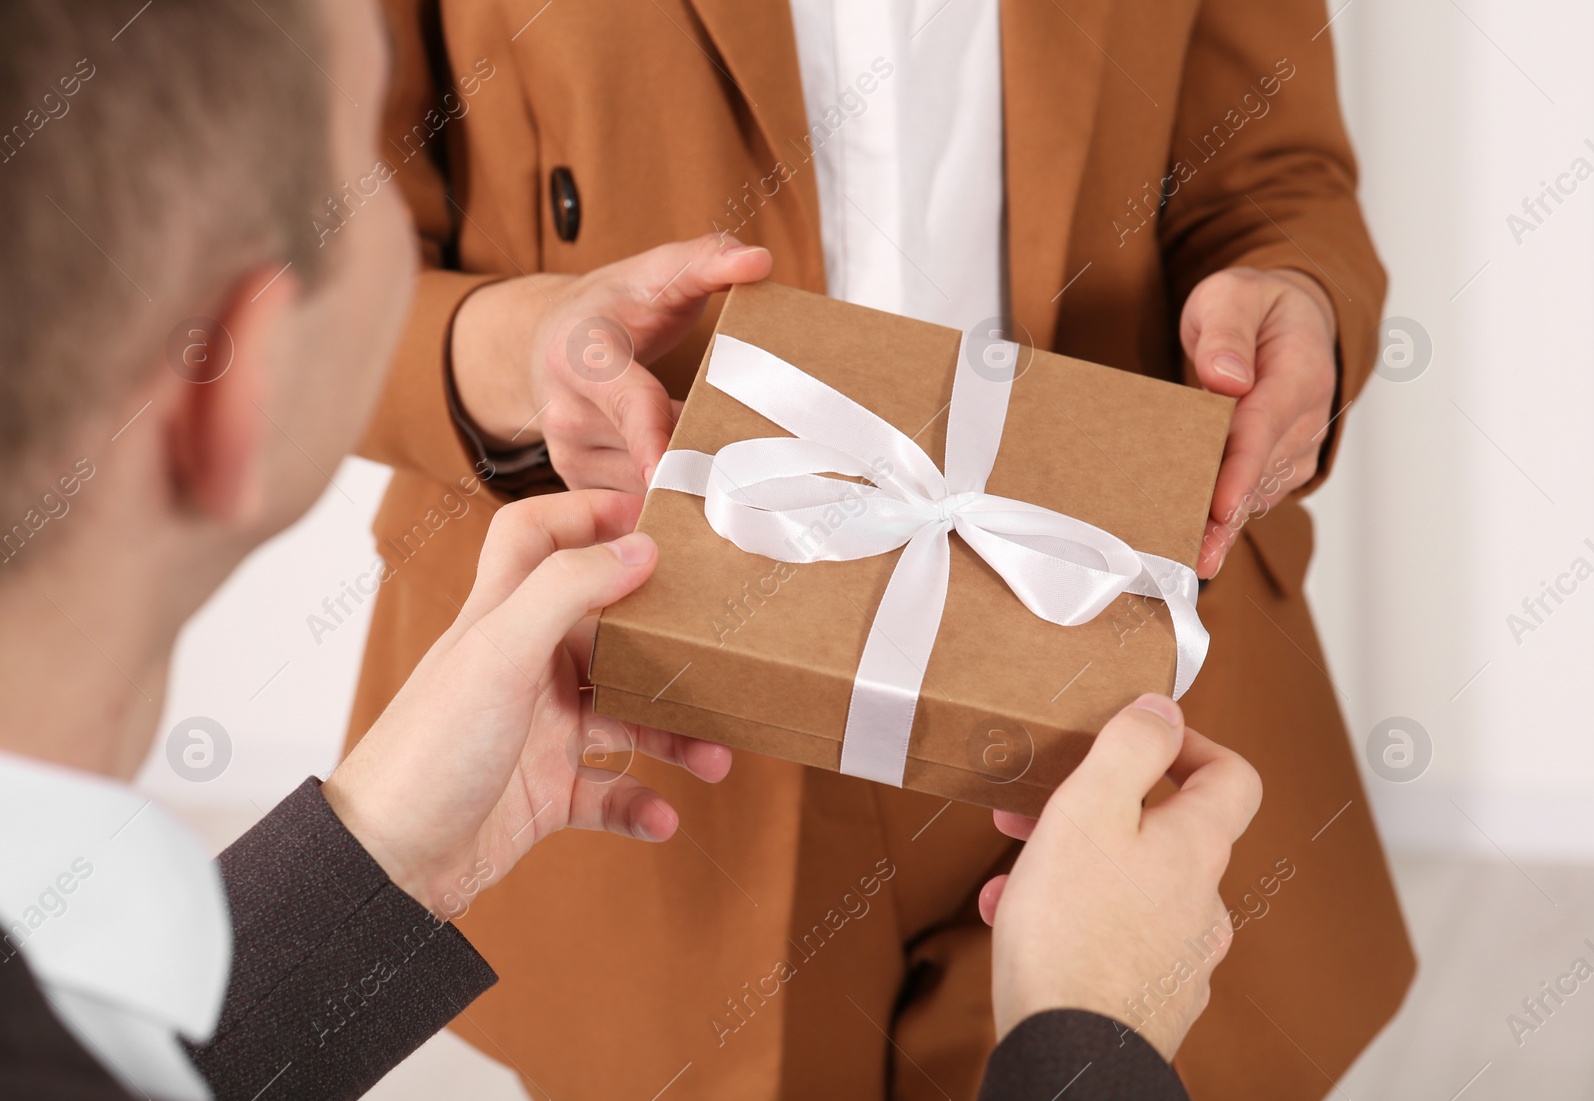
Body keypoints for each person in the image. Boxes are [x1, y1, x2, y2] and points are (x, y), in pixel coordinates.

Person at [0, 2, 1258, 1099]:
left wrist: (376, 859)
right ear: (240, 376)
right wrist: (1090, 1051)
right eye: (363, 193)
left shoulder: (73, 1012)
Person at [349, 1, 1413, 1097]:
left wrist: (1301, 301)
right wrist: (525, 345)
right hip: (642, 674)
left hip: (1103, 645)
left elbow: (1274, 179)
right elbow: (300, 257)